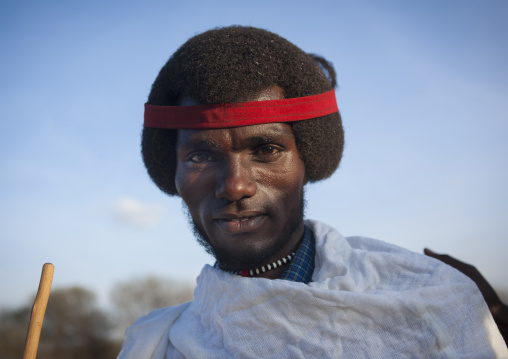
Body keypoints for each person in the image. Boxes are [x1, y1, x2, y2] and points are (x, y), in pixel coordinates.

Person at [118, 26, 507, 358]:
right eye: (201, 155)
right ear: (174, 172)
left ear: (308, 159)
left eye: (266, 150)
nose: (235, 185)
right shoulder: (156, 345)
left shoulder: (430, 303)